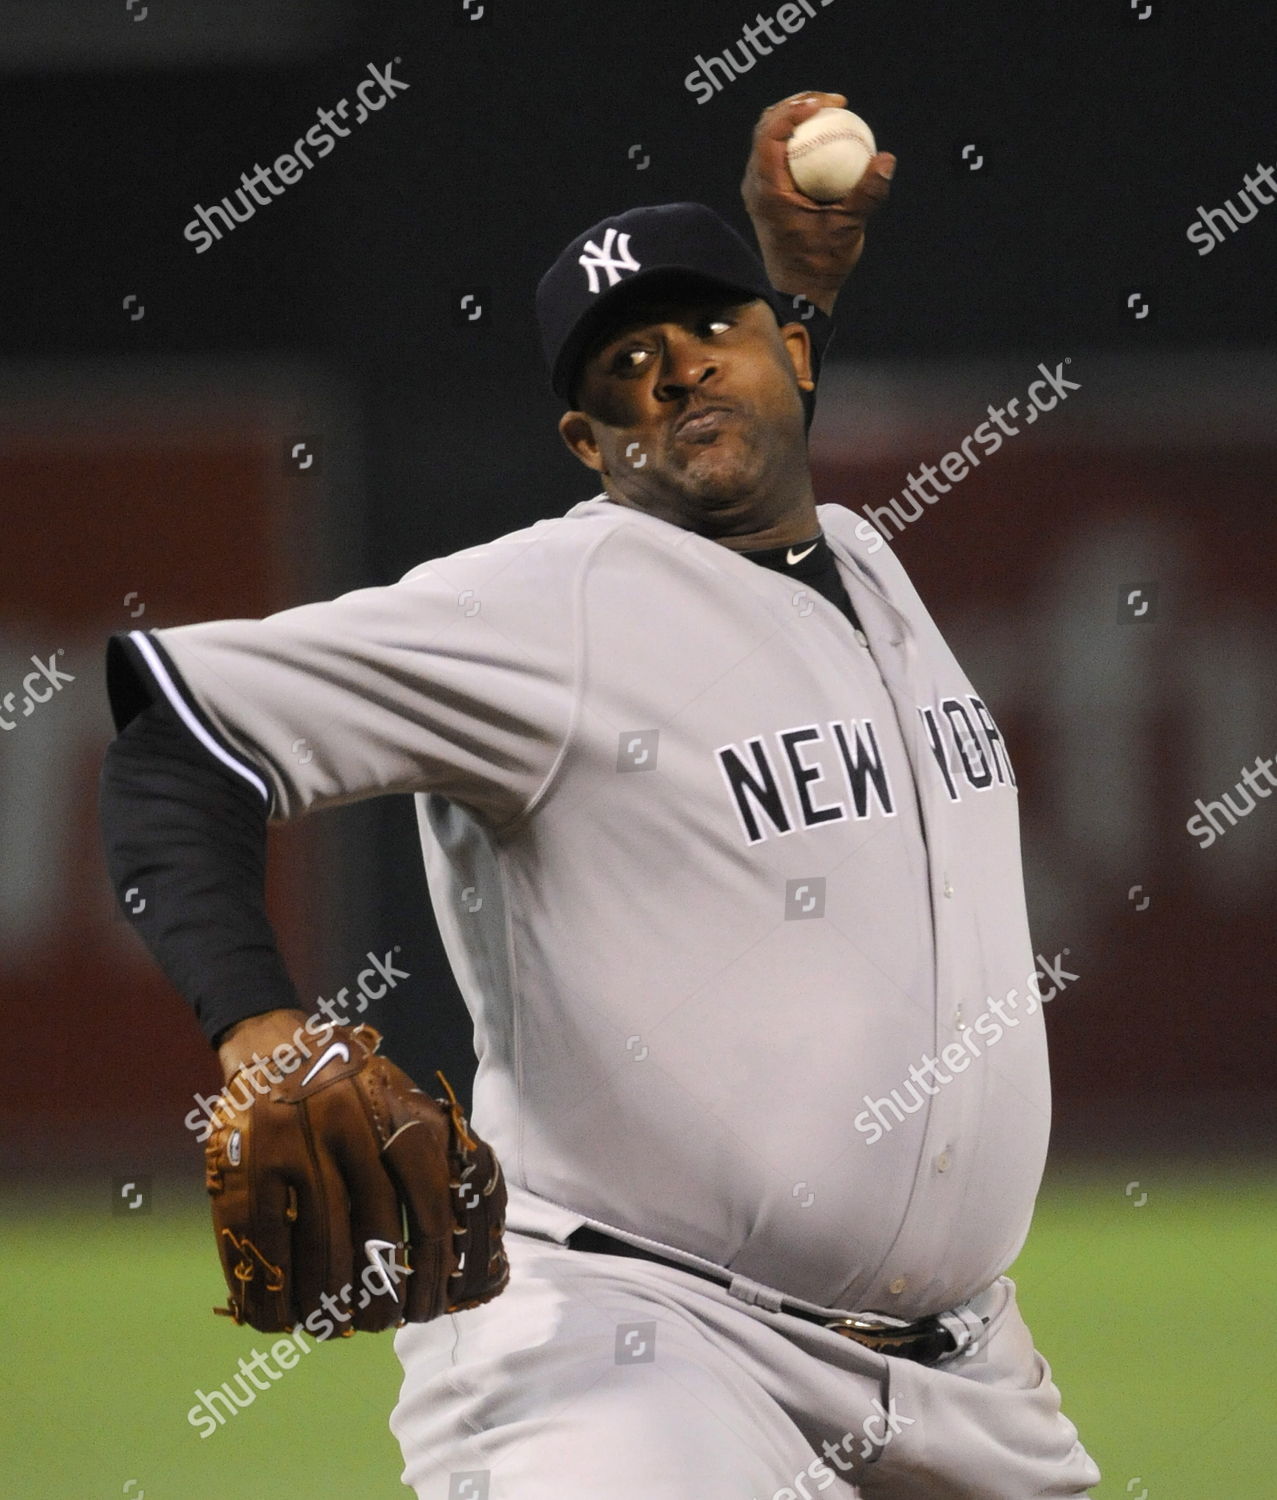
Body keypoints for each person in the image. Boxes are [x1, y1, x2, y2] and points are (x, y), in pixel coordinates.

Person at [99, 91, 1097, 1498]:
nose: (678, 371)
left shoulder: (869, 561)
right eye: (627, 364)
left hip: (961, 1380)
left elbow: (767, 468)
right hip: (634, 1345)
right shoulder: (549, 602)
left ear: (793, 354)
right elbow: (178, 741)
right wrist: (259, 1031)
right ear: (587, 442)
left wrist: (788, 271)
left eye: (708, 331)